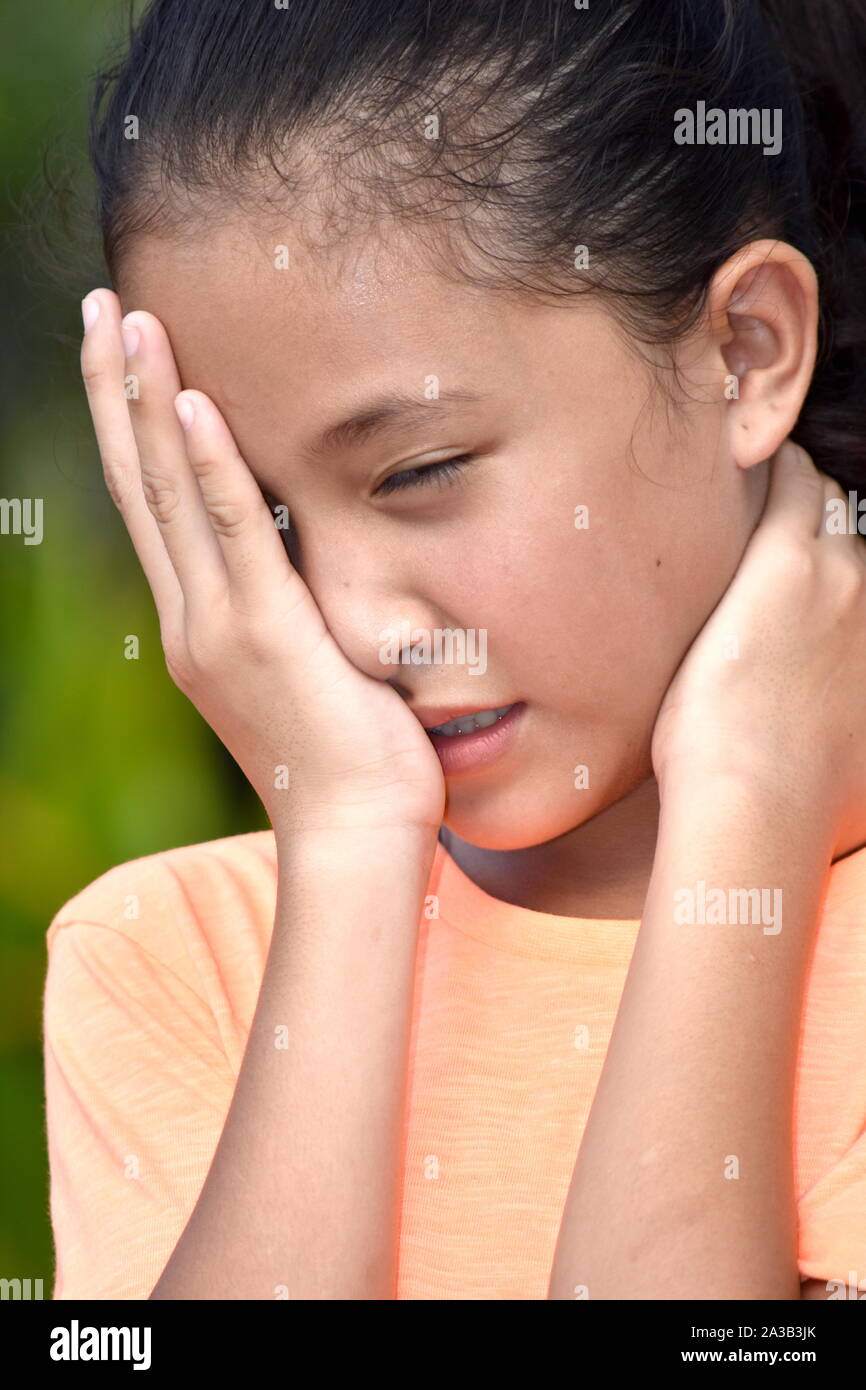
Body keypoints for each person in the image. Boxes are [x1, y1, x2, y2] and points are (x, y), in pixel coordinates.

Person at [44, 0, 866, 1299]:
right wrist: (350, 843)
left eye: (419, 469)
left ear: (743, 351)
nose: (353, 620)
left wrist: (746, 810)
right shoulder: (167, 959)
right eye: (255, 522)